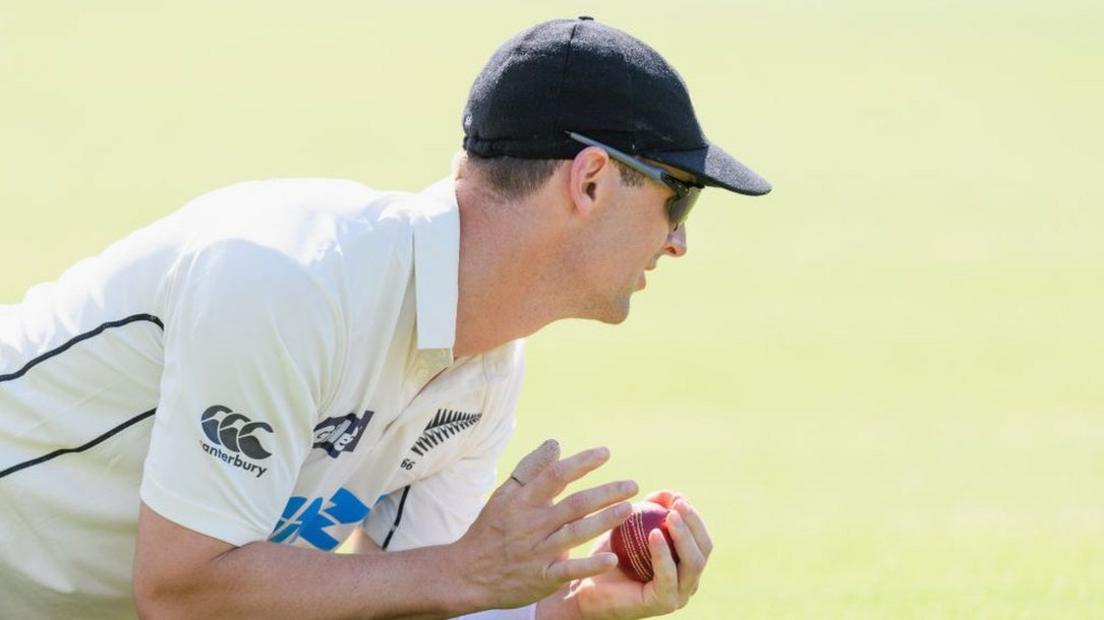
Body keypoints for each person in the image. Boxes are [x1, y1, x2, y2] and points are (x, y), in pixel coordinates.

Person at [0, 16, 770, 619]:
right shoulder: (288, 281)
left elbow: (407, 601)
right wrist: (463, 571)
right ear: (592, 179)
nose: (679, 241)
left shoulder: (487, 363)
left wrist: (565, 609)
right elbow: (179, 595)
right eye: (679, 196)